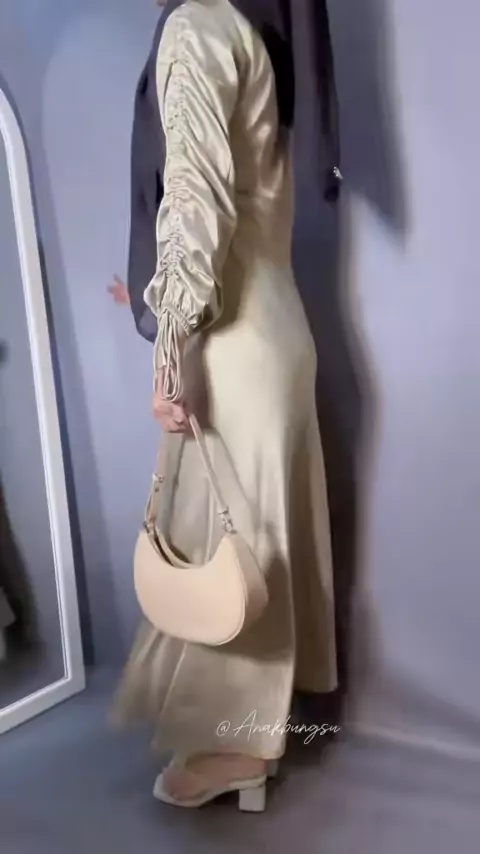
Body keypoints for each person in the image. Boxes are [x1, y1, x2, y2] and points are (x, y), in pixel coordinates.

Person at [111, 0, 341, 811]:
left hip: (231, 343)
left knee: (230, 553)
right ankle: (255, 735)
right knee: (256, 545)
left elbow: (197, 203)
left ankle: (236, 752)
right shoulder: (254, 32)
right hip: (278, 327)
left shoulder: (198, 27)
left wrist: (170, 348)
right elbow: (239, 197)